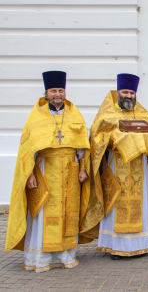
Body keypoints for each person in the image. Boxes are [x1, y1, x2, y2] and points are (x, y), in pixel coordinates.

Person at [5, 71, 90, 272]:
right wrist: (30, 174)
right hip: (45, 172)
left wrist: (84, 168)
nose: (58, 94)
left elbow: (82, 145)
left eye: (61, 90)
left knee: (68, 213)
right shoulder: (36, 116)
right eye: (53, 91)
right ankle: (41, 258)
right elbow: (28, 150)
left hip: (70, 171)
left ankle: (65, 256)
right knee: (44, 213)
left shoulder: (74, 114)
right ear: (46, 92)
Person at [80, 73, 148, 259]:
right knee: (116, 204)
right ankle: (115, 246)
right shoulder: (107, 114)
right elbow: (96, 138)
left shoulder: (143, 113)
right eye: (125, 92)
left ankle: (140, 245)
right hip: (116, 167)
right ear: (118, 92)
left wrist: (145, 140)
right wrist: (115, 138)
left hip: (139, 170)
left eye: (131, 93)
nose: (129, 96)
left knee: (138, 205)